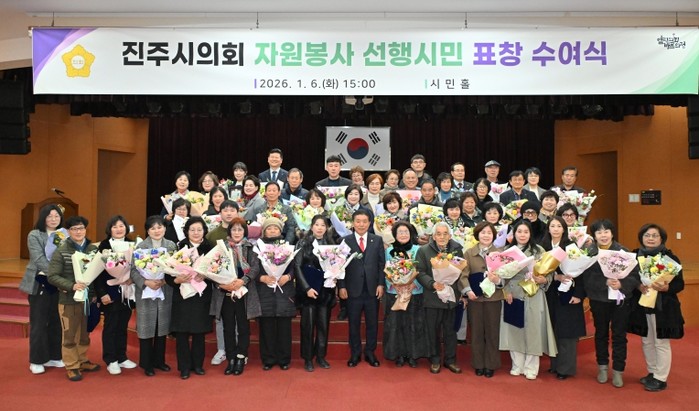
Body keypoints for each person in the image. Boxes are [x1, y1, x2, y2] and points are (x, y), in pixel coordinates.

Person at [582, 219, 640, 388]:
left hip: (621, 300)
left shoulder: (623, 251)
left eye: (606, 231)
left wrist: (622, 284)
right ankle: (602, 366)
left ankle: (618, 370)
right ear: (594, 235)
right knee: (601, 333)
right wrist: (605, 282)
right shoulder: (589, 252)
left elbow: (635, 276)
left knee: (619, 335)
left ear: (612, 233)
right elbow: (585, 277)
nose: (603, 235)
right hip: (599, 299)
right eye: (599, 232)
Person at [628, 224, 685, 392]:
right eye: (647, 235)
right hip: (642, 305)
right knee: (647, 341)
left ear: (662, 238)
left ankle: (661, 378)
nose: (650, 238)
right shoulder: (635, 256)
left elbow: (680, 284)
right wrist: (638, 286)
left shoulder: (670, 259)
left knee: (661, 342)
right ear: (641, 237)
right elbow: (629, 278)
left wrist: (667, 288)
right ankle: (652, 372)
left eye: (655, 235)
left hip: (663, 307)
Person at [499, 220, 556, 380]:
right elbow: (500, 274)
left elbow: (549, 272)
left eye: (526, 232)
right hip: (513, 292)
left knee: (533, 330)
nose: (522, 235)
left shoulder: (539, 250)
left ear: (530, 234)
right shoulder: (507, 251)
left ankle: (531, 367)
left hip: (534, 293)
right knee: (514, 329)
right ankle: (517, 365)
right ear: (514, 234)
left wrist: (544, 280)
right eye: (519, 231)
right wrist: (506, 291)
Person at [47, 216, 101, 382]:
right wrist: (72, 286)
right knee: (69, 335)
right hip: (69, 299)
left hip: (87, 300)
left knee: (84, 334)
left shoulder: (92, 249)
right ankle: (71, 365)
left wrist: (94, 294)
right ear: (69, 231)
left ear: (86, 229)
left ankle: (82, 360)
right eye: (74, 229)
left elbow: (97, 274)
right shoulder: (61, 250)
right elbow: (52, 276)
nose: (78, 231)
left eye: (81, 228)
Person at [210, 218, 261, 376]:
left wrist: (242, 281)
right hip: (225, 292)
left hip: (244, 292)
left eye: (240, 229)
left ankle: (241, 356)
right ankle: (231, 357)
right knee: (228, 327)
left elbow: (255, 268)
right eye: (234, 230)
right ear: (229, 232)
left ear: (244, 231)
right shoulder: (221, 248)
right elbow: (213, 269)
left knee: (243, 326)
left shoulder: (250, 248)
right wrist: (223, 284)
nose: (237, 232)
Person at [19, 204, 65, 375]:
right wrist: (56, 275)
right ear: (43, 218)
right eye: (49, 216)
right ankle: (36, 360)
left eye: (57, 216)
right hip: (40, 282)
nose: (53, 219)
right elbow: (38, 259)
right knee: (39, 322)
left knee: (56, 321)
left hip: (58, 284)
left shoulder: (63, 234)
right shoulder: (35, 234)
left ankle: (54, 356)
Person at [165, 217, 213, 379]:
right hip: (182, 296)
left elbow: (217, 271)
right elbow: (168, 274)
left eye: (199, 229)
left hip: (201, 295)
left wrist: (206, 276)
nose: (196, 233)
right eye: (192, 229)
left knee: (199, 332)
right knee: (182, 333)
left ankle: (198, 365)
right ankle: (184, 367)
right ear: (186, 231)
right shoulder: (179, 247)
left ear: (204, 231)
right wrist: (177, 280)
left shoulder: (210, 249)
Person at [338, 209, 385, 368]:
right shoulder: (345, 241)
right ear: (353, 223)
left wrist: (380, 284)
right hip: (352, 289)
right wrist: (342, 286)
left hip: (372, 289)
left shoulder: (377, 240)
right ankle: (355, 353)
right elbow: (339, 266)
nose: (361, 224)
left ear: (370, 223)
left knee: (372, 323)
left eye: (364, 221)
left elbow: (381, 264)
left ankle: (370, 352)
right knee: (354, 323)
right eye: (358, 221)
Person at [415, 222, 464, 374]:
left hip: (450, 297)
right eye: (438, 234)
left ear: (450, 236)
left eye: (445, 234)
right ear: (433, 236)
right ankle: (435, 360)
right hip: (432, 297)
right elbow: (419, 271)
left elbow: (461, 271)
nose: (442, 237)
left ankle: (450, 360)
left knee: (450, 331)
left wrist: (456, 289)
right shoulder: (423, 250)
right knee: (432, 331)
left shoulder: (457, 249)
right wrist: (432, 283)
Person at [131, 215, 178, 376]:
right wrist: (146, 282)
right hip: (145, 291)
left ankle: (159, 361)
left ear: (165, 228)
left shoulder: (171, 245)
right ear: (147, 230)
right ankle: (146, 363)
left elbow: (176, 267)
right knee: (146, 327)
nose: (157, 231)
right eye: (152, 228)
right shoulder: (140, 246)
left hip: (164, 290)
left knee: (161, 327)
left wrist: (164, 280)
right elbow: (133, 270)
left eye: (160, 227)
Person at [542, 216, 586, 380]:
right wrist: (555, 277)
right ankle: (554, 365)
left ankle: (565, 368)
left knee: (567, 332)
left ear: (564, 229)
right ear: (548, 228)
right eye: (552, 226)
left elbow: (581, 271)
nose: (555, 229)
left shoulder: (571, 246)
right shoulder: (543, 246)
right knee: (553, 329)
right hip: (549, 293)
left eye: (559, 226)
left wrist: (578, 294)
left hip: (569, 293)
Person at [460, 221, 504, 378]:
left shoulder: (500, 253)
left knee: (492, 332)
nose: (486, 235)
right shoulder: (468, 253)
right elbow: (463, 275)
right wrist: (468, 291)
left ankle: (491, 364)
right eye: (483, 232)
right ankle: (478, 364)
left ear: (494, 235)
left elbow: (507, 275)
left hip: (494, 298)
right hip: (475, 298)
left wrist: (498, 280)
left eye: (489, 233)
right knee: (476, 332)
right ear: (477, 235)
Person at [94, 215, 137, 375]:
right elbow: (97, 273)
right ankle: (110, 359)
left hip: (127, 291)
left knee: (122, 326)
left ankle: (122, 356)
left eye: (121, 226)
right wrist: (102, 293)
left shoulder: (132, 244)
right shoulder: (104, 246)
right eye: (115, 226)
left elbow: (137, 267)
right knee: (111, 326)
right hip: (110, 291)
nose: (119, 229)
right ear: (109, 229)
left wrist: (131, 278)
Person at [294, 215, 336, 372]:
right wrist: (306, 288)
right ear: (311, 227)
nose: (319, 228)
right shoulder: (303, 243)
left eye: (323, 225)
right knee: (308, 326)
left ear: (327, 228)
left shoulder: (331, 244)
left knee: (323, 326)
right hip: (308, 291)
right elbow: (297, 267)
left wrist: (335, 275)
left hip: (325, 290)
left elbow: (336, 265)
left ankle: (320, 356)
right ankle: (307, 358)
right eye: (317, 224)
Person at [383, 221, 427, 368]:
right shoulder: (389, 251)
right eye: (400, 232)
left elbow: (422, 270)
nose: (403, 234)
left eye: (406, 232)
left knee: (414, 324)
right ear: (395, 235)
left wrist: (414, 284)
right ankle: (399, 354)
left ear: (411, 234)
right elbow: (385, 270)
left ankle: (413, 355)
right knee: (396, 324)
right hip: (394, 293)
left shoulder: (418, 249)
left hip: (414, 292)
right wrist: (394, 285)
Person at [256, 217, 296, 370]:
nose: (272, 231)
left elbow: (295, 267)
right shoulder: (258, 248)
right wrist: (262, 278)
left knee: (284, 328)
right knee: (266, 328)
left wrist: (288, 276)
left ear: (280, 231)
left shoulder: (287, 247)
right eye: (269, 228)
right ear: (264, 231)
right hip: (265, 290)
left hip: (284, 290)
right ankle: (268, 359)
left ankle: (284, 359)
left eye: (276, 228)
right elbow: (253, 268)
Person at [205, 199, 240, 366]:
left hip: (240, 285)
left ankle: (238, 350)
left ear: (238, 212)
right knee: (220, 317)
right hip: (219, 285)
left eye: (232, 210)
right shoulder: (212, 235)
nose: (229, 213)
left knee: (238, 318)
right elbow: (207, 262)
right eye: (225, 210)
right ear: (220, 213)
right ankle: (222, 349)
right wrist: (220, 282)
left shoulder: (242, 231)